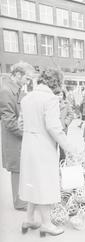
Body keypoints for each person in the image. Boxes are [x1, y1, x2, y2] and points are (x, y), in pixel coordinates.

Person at [19, 69, 79, 236]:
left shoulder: (27, 98)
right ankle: (46, 224)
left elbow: (20, 124)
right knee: (44, 184)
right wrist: (69, 148)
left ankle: (30, 219)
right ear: (56, 83)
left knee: (32, 182)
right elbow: (54, 128)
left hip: (28, 145)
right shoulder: (50, 99)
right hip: (43, 146)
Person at [0, 61, 34, 211]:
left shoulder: (16, 88)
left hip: (19, 136)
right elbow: (9, 121)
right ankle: (19, 203)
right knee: (17, 169)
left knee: (22, 168)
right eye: (27, 78)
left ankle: (22, 197)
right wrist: (26, 134)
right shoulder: (6, 90)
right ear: (18, 75)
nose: (29, 81)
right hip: (14, 138)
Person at [58, 89, 74, 161]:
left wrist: (66, 122)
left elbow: (71, 114)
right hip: (53, 127)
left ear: (63, 95)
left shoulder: (66, 103)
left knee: (62, 146)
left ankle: (62, 162)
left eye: (61, 95)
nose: (59, 96)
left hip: (63, 128)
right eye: (58, 94)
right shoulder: (51, 103)